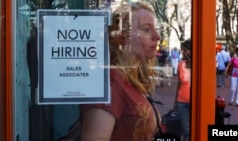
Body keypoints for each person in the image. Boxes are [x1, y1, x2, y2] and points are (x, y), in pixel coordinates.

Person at [79, 2, 161, 141]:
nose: (157, 36)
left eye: (156, 29)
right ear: (122, 36)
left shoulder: (130, 78)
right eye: (147, 29)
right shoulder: (110, 81)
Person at [175, 40, 191, 141]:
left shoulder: (200, 64)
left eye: (185, 50)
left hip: (196, 102)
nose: (183, 52)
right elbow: (178, 84)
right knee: (186, 130)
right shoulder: (181, 64)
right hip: (182, 102)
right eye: (182, 50)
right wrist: (175, 102)